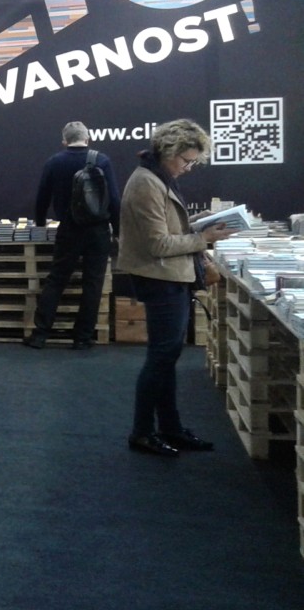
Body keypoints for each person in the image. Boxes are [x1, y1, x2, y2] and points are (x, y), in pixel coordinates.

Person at [117, 119, 237, 457]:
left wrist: (198, 226)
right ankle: (142, 432)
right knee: (161, 357)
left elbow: (166, 231)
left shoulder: (157, 178)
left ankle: (170, 427)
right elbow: (158, 244)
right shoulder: (146, 183)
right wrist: (203, 237)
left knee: (167, 357)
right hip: (160, 277)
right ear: (168, 151)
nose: (188, 167)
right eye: (186, 160)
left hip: (171, 277)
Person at [24, 121, 120, 350]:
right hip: (98, 230)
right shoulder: (102, 160)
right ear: (88, 139)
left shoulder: (54, 162)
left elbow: (42, 198)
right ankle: (82, 337)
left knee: (57, 280)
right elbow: (115, 200)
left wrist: (40, 223)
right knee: (93, 283)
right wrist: (117, 230)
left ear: (64, 141)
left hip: (69, 229)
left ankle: (40, 335)